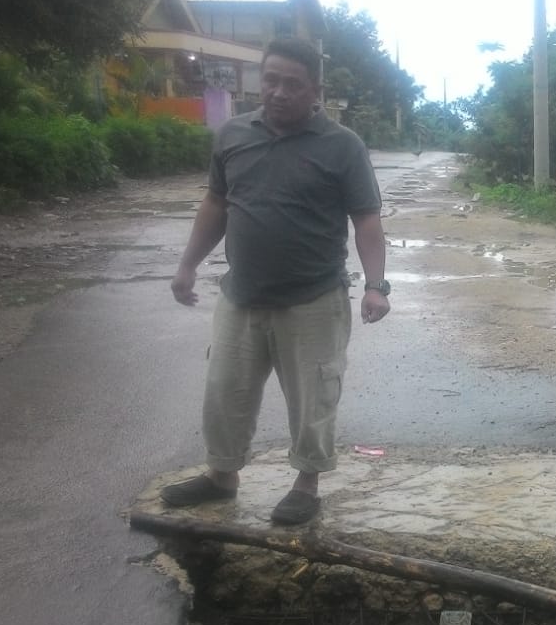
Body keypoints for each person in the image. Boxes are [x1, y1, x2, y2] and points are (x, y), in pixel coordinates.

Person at [160, 37, 390, 525]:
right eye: (271, 80)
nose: (279, 92)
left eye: (293, 84)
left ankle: (306, 484)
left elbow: (366, 219)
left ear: (314, 90)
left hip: (313, 298)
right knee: (224, 391)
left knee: (313, 398)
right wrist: (186, 265)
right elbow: (216, 204)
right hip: (241, 295)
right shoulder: (232, 135)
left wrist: (376, 285)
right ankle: (222, 478)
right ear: (259, 80)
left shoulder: (342, 145)